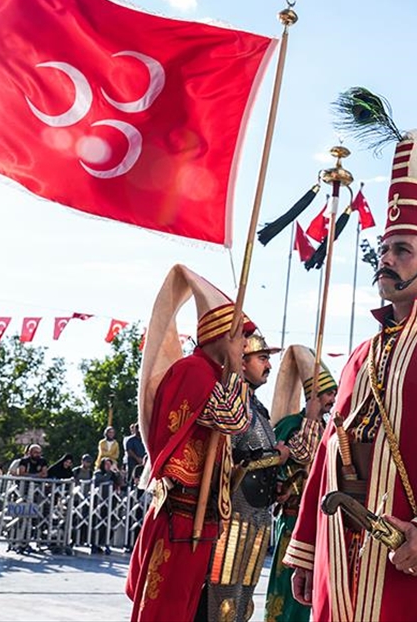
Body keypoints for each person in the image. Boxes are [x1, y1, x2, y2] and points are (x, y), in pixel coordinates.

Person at [282, 117, 417, 621]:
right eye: (384, 248)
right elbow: (328, 450)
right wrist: (305, 548)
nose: (386, 258)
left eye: (401, 250)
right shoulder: (361, 354)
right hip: (341, 557)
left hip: (415, 562)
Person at [124, 264, 256, 622]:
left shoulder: (214, 375)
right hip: (181, 516)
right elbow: (234, 419)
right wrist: (236, 376)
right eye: (240, 337)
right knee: (163, 612)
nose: (245, 347)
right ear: (218, 336)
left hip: (201, 517)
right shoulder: (194, 372)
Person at [200, 330, 288, 622]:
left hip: (258, 515)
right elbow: (232, 457)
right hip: (233, 515)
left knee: (243, 601)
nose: (269, 365)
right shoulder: (231, 402)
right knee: (221, 600)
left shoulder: (257, 408)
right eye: (262, 358)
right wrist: (278, 456)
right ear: (242, 360)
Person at [264, 344, 338, 622]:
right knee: (288, 587)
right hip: (294, 519)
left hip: (322, 522)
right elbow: (301, 454)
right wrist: (309, 418)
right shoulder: (292, 423)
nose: (333, 398)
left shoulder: (330, 427)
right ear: (314, 396)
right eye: (328, 393)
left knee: (314, 591)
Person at [91, 458, 122, 554]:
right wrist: (109, 473)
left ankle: (106, 543)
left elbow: (120, 483)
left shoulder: (113, 474)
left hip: (111, 503)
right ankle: (95, 544)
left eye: (110, 464)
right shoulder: (98, 473)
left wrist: (118, 473)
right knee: (98, 523)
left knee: (110, 524)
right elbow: (101, 480)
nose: (108, 466)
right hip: (100, 502)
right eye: (106, 464)